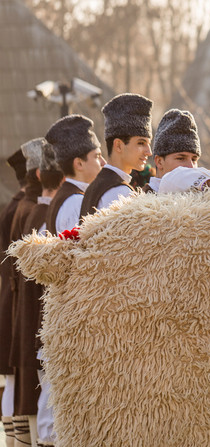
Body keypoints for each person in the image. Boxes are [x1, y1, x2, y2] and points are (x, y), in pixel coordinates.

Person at [14, 144, 63, 447]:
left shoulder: (34, 209)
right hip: (38, 315)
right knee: (46, 399)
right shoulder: (41, 213)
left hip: (29, 313)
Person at [6, 139, 45, 446]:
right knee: (23, 387)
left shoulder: (21, 204)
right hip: (20, 305)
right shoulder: (29, 207)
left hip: (13, 302)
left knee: (16, 385)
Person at [79, 93, 153, 219]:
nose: (149, 151)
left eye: (148, 144)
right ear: (118, 145)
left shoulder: (97, 185)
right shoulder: (120, 192)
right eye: (141, 143)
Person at [0, 149, 26, 444]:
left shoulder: (13, 206)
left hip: (9, 296)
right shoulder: (21, 207)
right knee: (14, 380)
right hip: (13, 298)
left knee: (12, 380)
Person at [44, 115, 105, 234]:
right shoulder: (77, 202)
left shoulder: (66, 197)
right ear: (79, 164)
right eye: (97, 156)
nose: (103, 162)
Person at [144, 109, 201, 194]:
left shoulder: (203, 199)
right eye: (181, 158)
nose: (191, 167)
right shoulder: (141, 205)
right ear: (159, 162)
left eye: (194, 159)